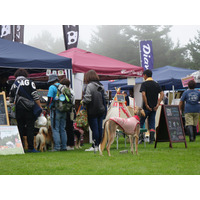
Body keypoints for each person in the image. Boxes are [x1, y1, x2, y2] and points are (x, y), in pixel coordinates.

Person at [9, 68, 42, 153]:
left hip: (19, 109)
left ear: (16, 75)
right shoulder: (30, 82)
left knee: (20, 127)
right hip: (29, 109)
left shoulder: (14, 84)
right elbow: (35, 96)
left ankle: (20, 147)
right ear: (25, 75)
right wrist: (40, 107)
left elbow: (11, 99)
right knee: (30, 128)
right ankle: (31, 148)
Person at [82, 70, 108, 151]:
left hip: (92, 109)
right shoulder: (101, 85)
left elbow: (88, 98)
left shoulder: (90, 85)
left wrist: (83, 102)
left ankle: (95, 146)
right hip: (101, 110)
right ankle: (100, 145)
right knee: (100, 128)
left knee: (94, 128)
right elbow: (106, 97)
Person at [140, 69, 164, 144]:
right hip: (154, 107)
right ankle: (151, 140)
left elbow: (143, 94)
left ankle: (141, 139)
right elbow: (162, 93)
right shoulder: (156, 84)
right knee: (152, 123)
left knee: (141, 122)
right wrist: (158, 104)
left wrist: (146, 104)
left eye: (143, 75)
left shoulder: (144, 84)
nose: (143, 77)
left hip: (146, 107)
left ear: (146, 75)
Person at [47, 74, 67, 151]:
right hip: (64, 110)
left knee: (55, 129)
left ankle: (57, 147)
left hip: (55, 110)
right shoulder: (63, 87)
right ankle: (64, 146)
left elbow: (50, 98)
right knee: (62, 129)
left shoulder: (52, 87)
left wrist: (47, 107)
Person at [60, 78, 75, 150]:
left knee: (65, 128)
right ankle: (71, 144)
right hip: (71, 110)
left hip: (65, 111)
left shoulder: (63, 91)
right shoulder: (72, 91)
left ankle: (66, 144)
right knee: (70, 128)